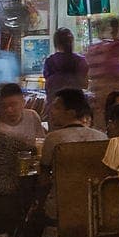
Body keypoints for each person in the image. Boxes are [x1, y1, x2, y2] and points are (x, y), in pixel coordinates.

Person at [39, 89, 105, 222]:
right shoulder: (101, 137)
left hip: (60, 207)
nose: (51, 111)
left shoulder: (53, 139)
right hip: (97, 204)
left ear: (71, 113)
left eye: (57, 107)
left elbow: (43, 178)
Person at [42, 28, 87, 97]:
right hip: (77, 102)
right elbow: (84, 84)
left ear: (56, 44)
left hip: (54, 103)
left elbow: (47, 80)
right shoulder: (80, 60)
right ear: (72, 42)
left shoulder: (50, 61)